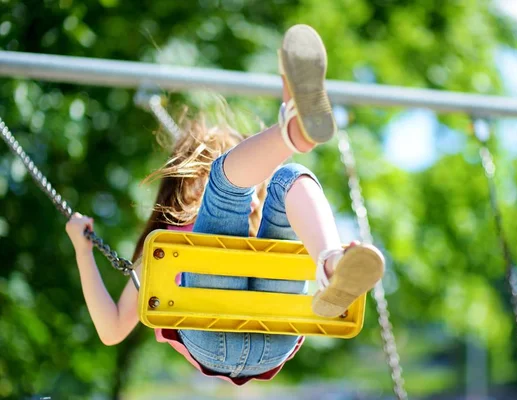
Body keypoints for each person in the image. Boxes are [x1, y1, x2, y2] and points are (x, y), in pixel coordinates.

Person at [65, 24, 385, 385]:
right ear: (186, 184)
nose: (248, 187)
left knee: (290, 175)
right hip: (224, 340)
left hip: (268, 337)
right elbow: (111, 330)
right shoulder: (168, 243)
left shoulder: (207, 234)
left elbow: (111, 331)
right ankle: (292, 131)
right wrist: (83, 250)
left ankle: (330, 264)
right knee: (241, 179)